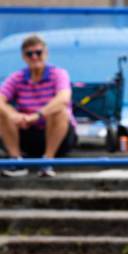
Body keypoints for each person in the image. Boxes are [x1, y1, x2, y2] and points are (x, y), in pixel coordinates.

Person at [0, 34, 77, 177]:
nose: (34, 57)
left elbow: (64, 98)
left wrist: (37, 116)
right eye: (30, 54)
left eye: (38, 53)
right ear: (24, 57)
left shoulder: (59, 74)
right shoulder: (16, 77)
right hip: (27, 134)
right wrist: (14, 116)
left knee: (59, 110)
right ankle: (16, 161)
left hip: (58, 138)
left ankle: (47, 161)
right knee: (3, 111)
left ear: (46, 54)